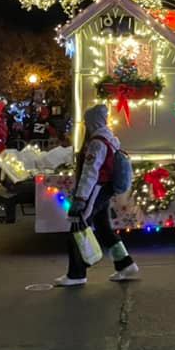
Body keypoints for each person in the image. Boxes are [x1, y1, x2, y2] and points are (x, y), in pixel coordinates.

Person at [56, 104, 139, 287]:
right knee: (103, 228)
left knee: (77, 227)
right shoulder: (110, 138)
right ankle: (125, 264)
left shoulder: (96, 143)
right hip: (105, 189)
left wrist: (80, 199)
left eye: (87, 121)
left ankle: (77, 273)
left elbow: (90, 173)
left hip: (95, 190)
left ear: (92, 122)